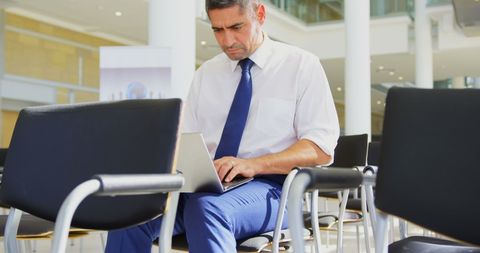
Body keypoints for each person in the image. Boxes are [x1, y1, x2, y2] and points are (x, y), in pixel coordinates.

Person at [105, 0, 339, 252]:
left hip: (272, 190)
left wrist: (254, 164)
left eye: (237, 27)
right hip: (205, 187)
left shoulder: (301, 65)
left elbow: (320, 148)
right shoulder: (207, 73)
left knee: (207, 208)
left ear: (260, 14)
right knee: (130, 213)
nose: (227, 40)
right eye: (218, 30)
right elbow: (185, 140)